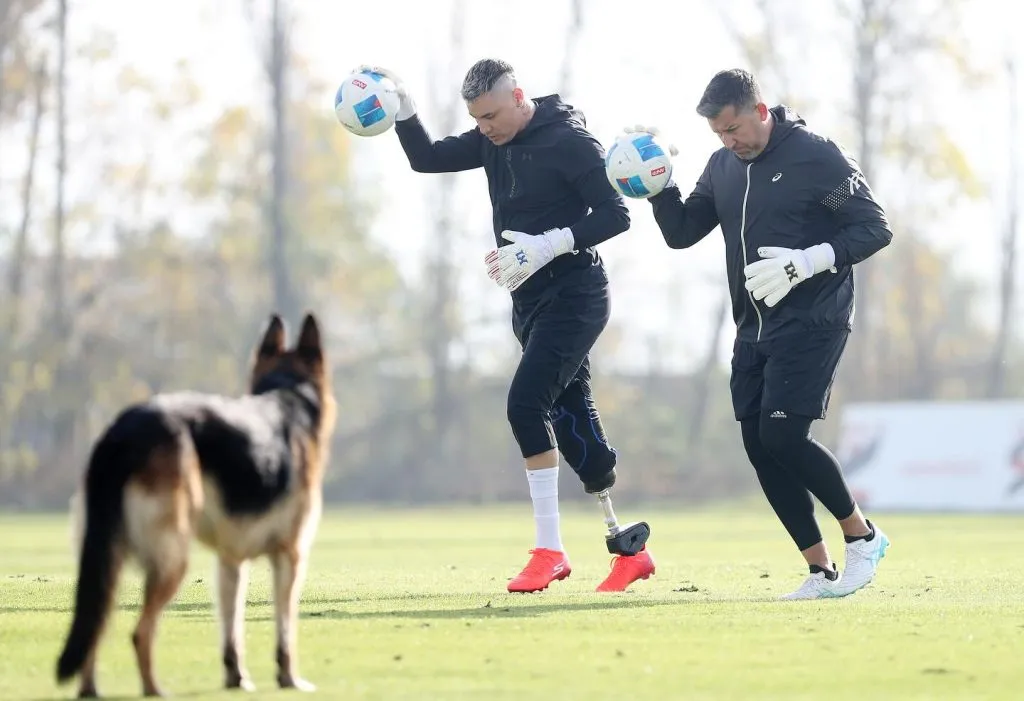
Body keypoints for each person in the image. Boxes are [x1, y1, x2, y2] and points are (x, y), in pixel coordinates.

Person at [357, 58, 656, 593]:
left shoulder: (570, 142)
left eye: (491, 115)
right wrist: (404, 110)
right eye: (476, 119)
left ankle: (550, 551)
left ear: (518, 98)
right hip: (530, 302)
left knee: (525, 405)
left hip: (577, 296)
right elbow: (426, 159)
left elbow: (616, 213)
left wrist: (550, 244)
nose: (485, 128)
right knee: (570, 419)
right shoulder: (491, 139)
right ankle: (629, 550)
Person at [639, 68, 893, 599]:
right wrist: (658, 186)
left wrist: (808, 261)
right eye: (718, 134)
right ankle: (821, 571)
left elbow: (874, 228)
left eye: (733, 129)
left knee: (782, 436)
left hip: (814, 319)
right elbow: (682, 233)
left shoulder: (816, 156)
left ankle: (863, 537)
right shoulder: (722, 166)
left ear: (759, 110)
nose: (728, 142)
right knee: (760, 445)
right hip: (752, 327)